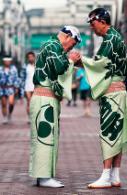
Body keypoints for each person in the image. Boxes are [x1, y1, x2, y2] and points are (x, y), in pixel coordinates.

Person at [80, 8, 127, 188]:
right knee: (117, 132)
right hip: (119, 91)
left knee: (109, 132)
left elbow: (99, 65)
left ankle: (105, 176)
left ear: (102, 21)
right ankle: (115, 175)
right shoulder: (116, 37)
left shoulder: (110, 39)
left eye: (93, 23)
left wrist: (80, 60)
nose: (92, 28)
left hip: (112, 93)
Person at [29, 25, 81, 188]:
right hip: (44, 99)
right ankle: (44, 177)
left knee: (47, 137)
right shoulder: (52, 46)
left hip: (47, 99)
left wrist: (70, 61)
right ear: (66, 36)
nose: (70, 48)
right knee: (45, 137)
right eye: (72, 44)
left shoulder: (52, 46)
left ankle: (44, 176)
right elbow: (58, 67)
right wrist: (71, 60)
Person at [0, 57, 20, 124]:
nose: (7, 62)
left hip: (11, 88)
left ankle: (10, 114)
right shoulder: (0, 69)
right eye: (6, 61)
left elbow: (16, 78)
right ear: (3, 61)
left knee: (11, 103)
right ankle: (4, 117)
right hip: (2, 88)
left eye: (8, 61)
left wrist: (16, 87)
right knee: (4, 104)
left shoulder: (14, 69)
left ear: (10, 61)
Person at [20, 51, 36, 122]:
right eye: (29, 57)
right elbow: (22, 78)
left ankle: (34, 116)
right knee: (29, 102)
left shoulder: (38, 66)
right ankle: (29, 117)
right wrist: (21, 89)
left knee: (35, 102)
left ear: (34, 57)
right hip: (27, 87)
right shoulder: (25, 66)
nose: (30, 58)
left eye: (31, 57)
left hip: (36, 87)